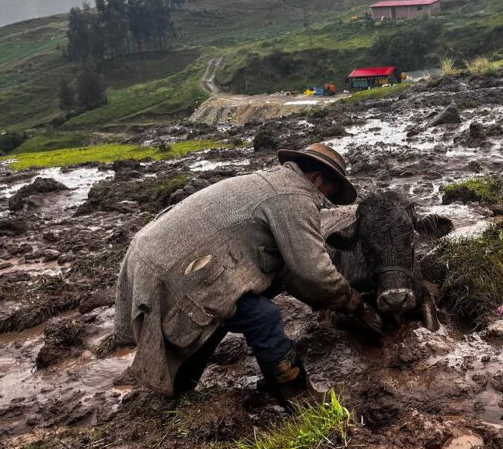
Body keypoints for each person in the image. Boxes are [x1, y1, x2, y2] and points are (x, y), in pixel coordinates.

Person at [114, 143, 381, 405]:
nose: (325, 200)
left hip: (152, 255)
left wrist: (322, 301)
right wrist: (353, 303)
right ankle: (297, 395)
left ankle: (183, 384)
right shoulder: (294, 198)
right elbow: (312, 270)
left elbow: (288, 272)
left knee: (228, 308)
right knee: (263, 316)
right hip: (171, 270)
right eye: (329, 191)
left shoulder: (272, 182)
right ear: (316, 178)